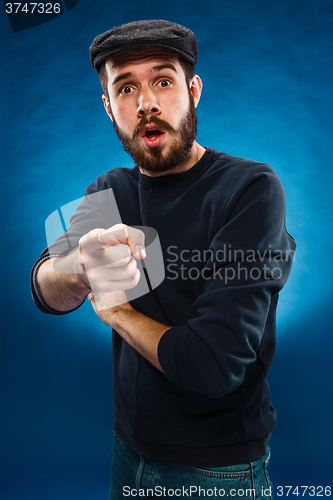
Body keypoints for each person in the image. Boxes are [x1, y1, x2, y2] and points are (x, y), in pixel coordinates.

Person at [31, 19, 296, 499]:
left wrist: (117, 312)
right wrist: (80, 265)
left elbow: (211, 368)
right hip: (128, 452)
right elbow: (45, 288)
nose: (147, 102)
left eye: (163, 81)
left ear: (193, 90)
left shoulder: (251, 189)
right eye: (126, 88)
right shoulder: (109, 190)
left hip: (220, 472)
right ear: (109, 106)